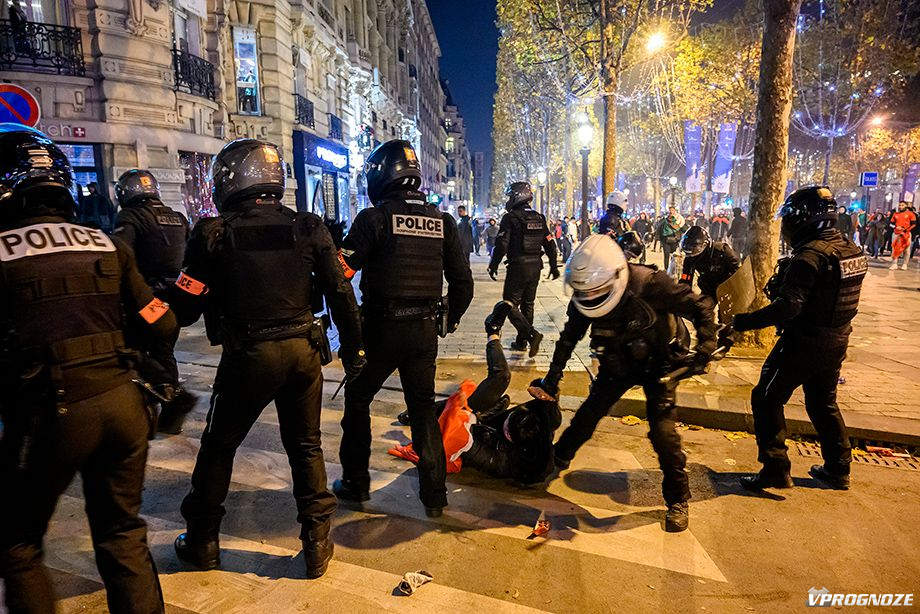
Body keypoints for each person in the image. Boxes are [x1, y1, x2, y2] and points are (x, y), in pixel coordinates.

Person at [169, 138, 364, 579]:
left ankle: (202, 542)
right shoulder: (308, 226)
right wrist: (355, 350)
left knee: (219, 447)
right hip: (302, 352)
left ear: (231, 179)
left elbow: (186, 306)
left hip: (250, 355)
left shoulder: (214, 232)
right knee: (306, 446)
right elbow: (341, 293)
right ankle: (316, 544)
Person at [0, 124, 174, 613]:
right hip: (122, 405)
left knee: (17, 542)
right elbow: (162, 322)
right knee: (122, 534)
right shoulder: (105, 244)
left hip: (48, 414)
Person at [533, 235, 717, 532]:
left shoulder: (652, 284)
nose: (592, 297)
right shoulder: (585, 290)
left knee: (663, 434)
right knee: (588, 414)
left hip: (659, 362)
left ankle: (678, 499)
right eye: (587, 292)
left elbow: (700, 308)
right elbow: (569, 336)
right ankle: (557, 459)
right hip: (617, 361)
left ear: (616, 276)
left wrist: (707, 345)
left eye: (598, 291)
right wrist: (553, 377)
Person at [334, 140, 473, 517]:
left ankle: (356, 482)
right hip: (423, 331)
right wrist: (448, 319)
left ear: (381, 175)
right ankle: (435, 494)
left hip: (381, 329)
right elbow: (463, 283)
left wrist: (349, 327)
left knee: (358, 399)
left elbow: (340, 274)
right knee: (423, 409)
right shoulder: (441, 222)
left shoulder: (373, 219)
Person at [733, 186, 867, 492]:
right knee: (822, 402)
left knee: (766, 398)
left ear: (803, 219)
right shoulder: (850, 250)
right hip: (837, 339)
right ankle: (838, 467)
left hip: (804, 341)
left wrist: (744, 322)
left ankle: (775, 468)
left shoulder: (809, 257)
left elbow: (789, 307)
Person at [393, 302, 561, 484]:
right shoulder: (540, 423)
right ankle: (493, 331)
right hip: (482, 423)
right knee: (502, 383)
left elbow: (460, 436)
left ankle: (492, 330)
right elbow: (547, 406)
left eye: (507, 425)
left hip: (463, 426)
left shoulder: (497, 459)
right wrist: (546, 393)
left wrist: (466, 410)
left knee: (500, 377)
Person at [113, 169, 198, 434]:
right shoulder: (177, 218)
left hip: (146, 299)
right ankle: (172, 411)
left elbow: (120, 255)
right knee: (164, 351)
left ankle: (146, 412)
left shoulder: (130, 216)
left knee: (136, 351)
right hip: (173, 300)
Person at [488, 181, 559, 356]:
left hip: (518, 266)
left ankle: (531, 335)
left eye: (510, 196)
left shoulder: (510, 218)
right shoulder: (539, 218)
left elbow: (502, 244)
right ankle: (522, 342)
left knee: (508, 304)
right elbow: (550, 243)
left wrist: (494, 264)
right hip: (535, 267)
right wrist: (553, 265)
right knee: (528, 304)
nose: (508, 200)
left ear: (517, 196)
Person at [679, 226, 741, 307]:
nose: (689, 252)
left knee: (729, 313)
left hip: (727, 288)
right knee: (702, 309)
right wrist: (681, 297)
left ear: (704, 244)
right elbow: (686, 278)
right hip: (709, 288)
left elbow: (738, 272)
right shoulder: (690, 258)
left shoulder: (722, 251)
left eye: (692, 247)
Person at [888, 201, 916, 270]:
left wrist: (906, 230)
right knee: (895, 248)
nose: (900, 207)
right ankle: (894, 263)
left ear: (906, 206)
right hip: (896, 233)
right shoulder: (895, 214)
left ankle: (905, 264)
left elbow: (914, 224)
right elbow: (891, 224)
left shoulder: (910, 214)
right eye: (899, 205)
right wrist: (895, 227)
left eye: (902, 205)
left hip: (906, 234)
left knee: (906, 249)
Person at [659, 205, 684, 270]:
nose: (671, 212)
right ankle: (666, 270)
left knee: (673, 256)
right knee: (666, 255)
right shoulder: (665, 220)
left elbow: (683, 228)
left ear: (675, 211)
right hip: (666, 240)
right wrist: (661, 240)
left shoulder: (679, 220)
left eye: (672, 210)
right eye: (670, 210)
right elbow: (659, 228)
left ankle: (671, 269)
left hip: (674, 240)